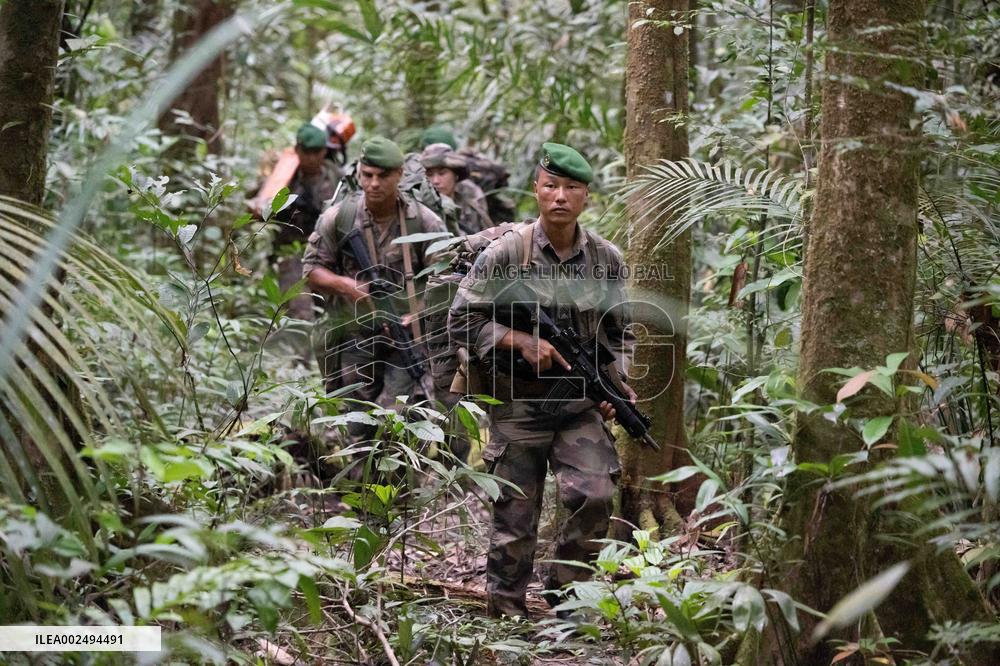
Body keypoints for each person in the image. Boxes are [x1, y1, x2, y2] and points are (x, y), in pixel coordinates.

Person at [448, 142, 636, 618]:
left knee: (595, 496)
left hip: (578, 405)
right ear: (536, 188)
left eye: (571, 188)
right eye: (551, 186)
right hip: (518, 404)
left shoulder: (605, 259)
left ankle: (568, 601)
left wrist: (617, 384)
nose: (559, 197)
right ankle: (506, 616)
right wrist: (518, 341)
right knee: (514, 517)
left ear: (586, 197)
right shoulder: (506, 253)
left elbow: (621, 332)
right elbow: (460, 320)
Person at [303, 135, 446, 414]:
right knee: (355, 417)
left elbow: (447, 279)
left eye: (383, 175)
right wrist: (348, 286)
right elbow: (311, 270)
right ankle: (358, 457)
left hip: (405, 335)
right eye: (367, 175)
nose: (374, 183)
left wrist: (419, 311)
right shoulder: (339, 218)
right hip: (355, 334)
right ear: (359, 174)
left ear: (400, 175)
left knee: (398, 415)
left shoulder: (424, 221)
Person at [264, 123, 344, 320]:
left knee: (330, 312)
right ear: (297, 150)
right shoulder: (284, 177)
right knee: (297, 313)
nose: (311, 158)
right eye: (306, 152)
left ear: (324, 151)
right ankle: (299, 350)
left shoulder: (336, 177)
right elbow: (260, 205)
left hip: (327, 254)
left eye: (316, 152)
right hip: (292, 253)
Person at [421, 143, 493, 236]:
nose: (435, 181)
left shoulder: (472, 205)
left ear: (456, 176)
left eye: (442, 173)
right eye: (429, 175)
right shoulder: (418, 210)